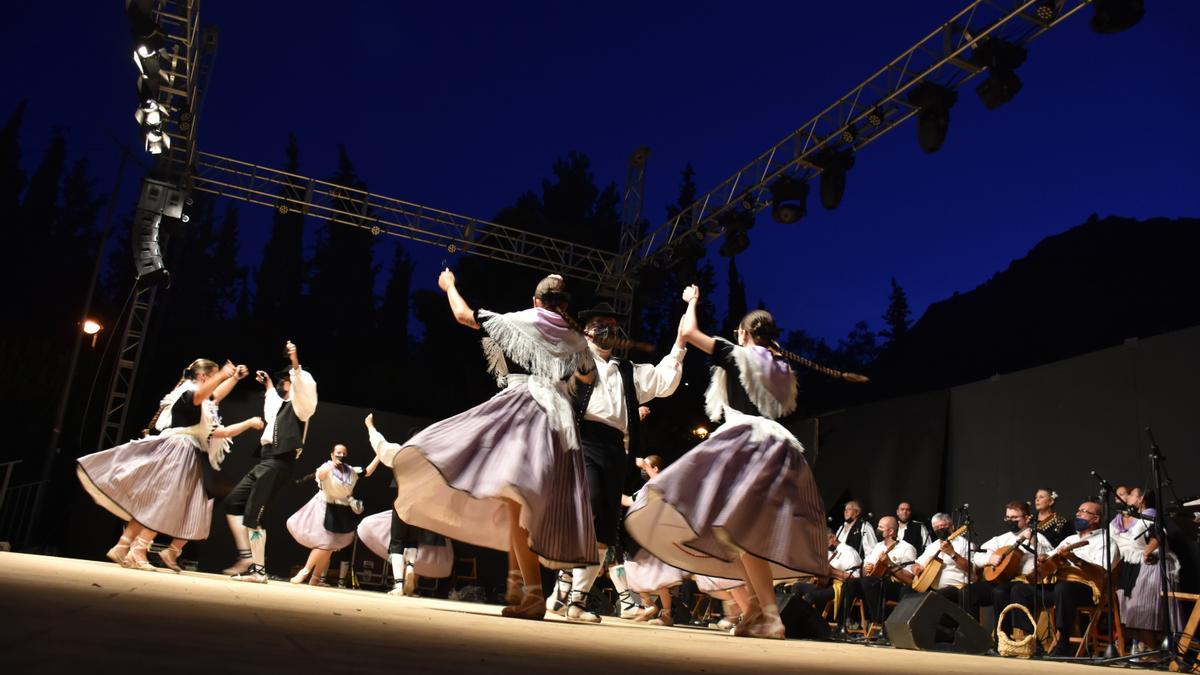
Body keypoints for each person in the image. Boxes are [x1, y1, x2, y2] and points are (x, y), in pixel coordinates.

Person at [374, 270, 597, 621]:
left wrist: (449, 286)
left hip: (524, 409)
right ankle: (523, 586)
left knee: (513, 497)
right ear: (565, 305)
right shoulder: (574, 337)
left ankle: (531, 591)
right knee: (518, 501)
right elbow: (587, 377)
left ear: (536, 301)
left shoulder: (525, 320)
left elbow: (464, 316)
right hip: (559, 419)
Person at [624, 286, 829, 639]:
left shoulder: (738, 355)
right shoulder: (780, 367)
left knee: (735, 530)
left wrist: (690, 302)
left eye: (739, 333)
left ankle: (768, 615)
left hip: (747, 443)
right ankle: (755, 610)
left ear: (744, 334)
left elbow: (688, 333)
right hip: (780, 448)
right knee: (733, 531)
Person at [548, 301, 686, 623]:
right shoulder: (576, 362)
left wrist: (679, 344)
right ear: (586, 330)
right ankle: (569, 588)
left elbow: (664, 381)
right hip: (582, 442)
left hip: (614, 449)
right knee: (589, 511)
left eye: (612, 324)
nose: (607, 330)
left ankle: (574, 596)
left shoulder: (628, 371)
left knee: (605, 529)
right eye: (599, 323)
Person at [77, 359, 262, 571]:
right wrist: (222, 375)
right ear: (203, 377)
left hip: (183, 449)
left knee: (157, 499)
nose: (214, 383)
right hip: (179, 449)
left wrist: (232, 378)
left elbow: (214, 396)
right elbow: (204, 396)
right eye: (212, 378)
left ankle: (124, 546)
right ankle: (137, 550)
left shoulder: (196, 395)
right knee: (163, 501)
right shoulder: (190, 391)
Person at [224, 341, 318, 583]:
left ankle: (258, 570)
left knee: (256, 516)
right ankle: (250, 558)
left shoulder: (301, 407)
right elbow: (272, 403)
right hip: (265, 461)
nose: (281, 383)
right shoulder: (281, 406)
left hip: (279, 462)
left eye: (284, 380)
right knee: (235, 501)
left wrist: (295, 362)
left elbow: (304, 387)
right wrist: (267, 383)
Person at [1010, 500, 1119, 657]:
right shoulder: (1070, 540)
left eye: (1084, 511)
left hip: (1089, 590)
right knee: (1019, 590)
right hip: (1062, 588)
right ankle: (1034, 643)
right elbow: (1050, 558)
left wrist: (1075, 559)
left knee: (1064, 588)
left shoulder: (1106, 541)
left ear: (1096, 518)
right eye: (1078, 510)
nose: (1078, 514)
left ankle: (1063, 643)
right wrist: (1044, 559)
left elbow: (1101, 574)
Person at [287, 443, 380, 586]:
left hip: (341, 510)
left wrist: (380, 455)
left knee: (330, 547)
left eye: (343, 453)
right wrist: (332, 465)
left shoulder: (350, 471)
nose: (341, 455)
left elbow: (366, 471)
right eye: (338, 452)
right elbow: (321, 475)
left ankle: (315, 579)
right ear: (332, 454)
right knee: (323, 543)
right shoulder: (325, 466)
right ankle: (305, 571)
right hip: (324, 508)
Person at [968, 500, 1053, 634]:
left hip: (1024, 582)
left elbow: (1047, 556)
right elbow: (976, 556)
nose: (1010, 520)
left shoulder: (1038, 537)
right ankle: (972, 636)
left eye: (1014, 518)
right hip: (1001, 579)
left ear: (1027, 518)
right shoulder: (1000, 539)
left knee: (1000, 592)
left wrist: (1032, 540)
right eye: (1008, 517)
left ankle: (1002, 638)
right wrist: (989, 559)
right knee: (968, 592)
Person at [1115, 487, 1181, 656]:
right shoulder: (1138, 517)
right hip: (1136, 566)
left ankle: (1151, 651)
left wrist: (1147, 552)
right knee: (1133, 612)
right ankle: (1143, 649)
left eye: (1132, 495)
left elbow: (1159, 535)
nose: (1127, 497)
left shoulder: (1150, 514)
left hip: (1148, 568)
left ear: (1141, 499)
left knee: (1145, 612)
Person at [838, 516, 919, 631]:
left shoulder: (907, 548)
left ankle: (880, 624)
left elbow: (910, 579)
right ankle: (841, 626)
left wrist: (889, 564)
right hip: (873, 584)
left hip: (895, 586)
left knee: (869, 582)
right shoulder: (878, 546)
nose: (877, 529)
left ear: (891, 531)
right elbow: (865, 572)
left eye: (881, 527)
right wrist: (866, 569)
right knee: (849, 583)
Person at [904, 513, 970, 606]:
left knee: (937, 596)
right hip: (930, 586)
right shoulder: (932, 546)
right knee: (907, 590)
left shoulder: (963, 544)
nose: (939, 529)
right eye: (936, 527)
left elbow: (971, 570)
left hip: (955, 587)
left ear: (952, 527)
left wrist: (952, 553)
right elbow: (917, 564)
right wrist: (916, 568)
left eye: (942, 526)